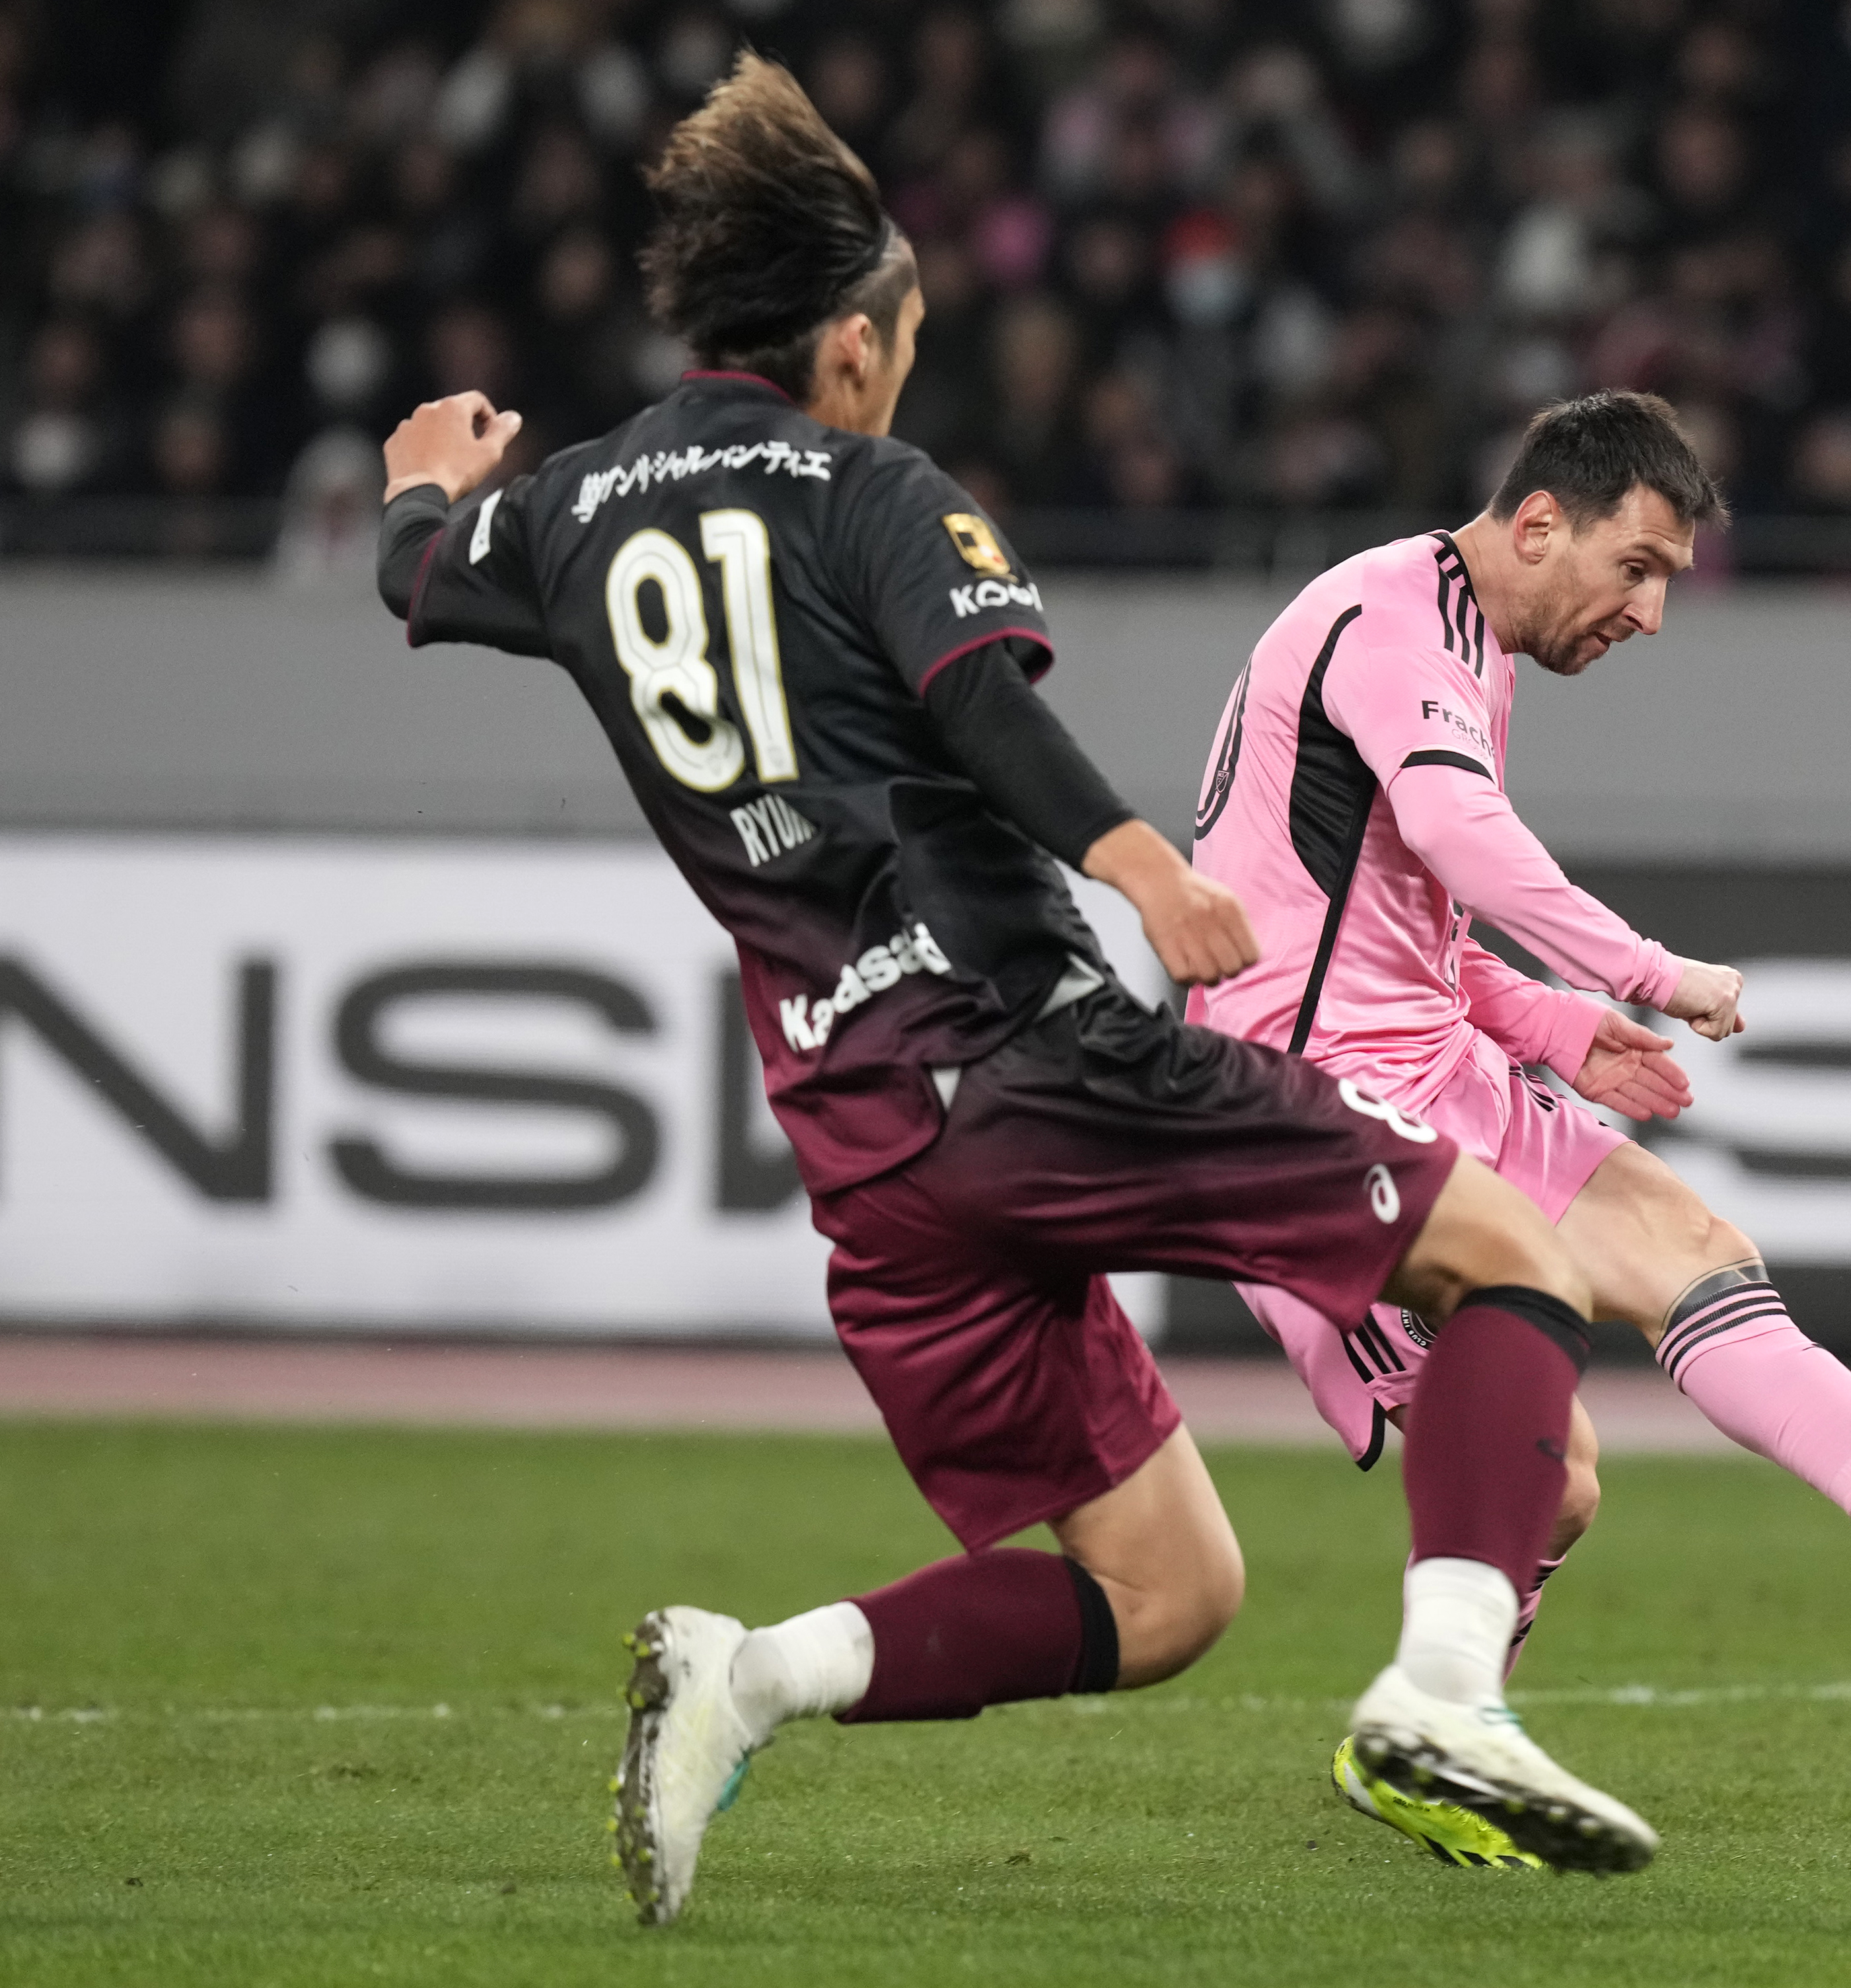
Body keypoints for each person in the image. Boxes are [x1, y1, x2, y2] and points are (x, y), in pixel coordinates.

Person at [371, 55, 1658, 1923]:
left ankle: (748, 1678)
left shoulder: (571, 511)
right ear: (845, 348)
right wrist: (1143, 864)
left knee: (1170, 1594)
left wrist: (426, 482)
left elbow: (418, 569)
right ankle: (1447, 1694)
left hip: (865, 1147)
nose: (903, 368)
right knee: (1518, 1259)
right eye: (897, 338)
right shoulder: (864, 482)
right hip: (1024, 1061)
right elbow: (977, 698)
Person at [1184, 389, 1851, 1867]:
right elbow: (1455, 841)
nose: (1653, 611)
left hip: (1424, 1061)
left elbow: (1401, 911)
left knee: (1694, 1246)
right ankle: (1437, 1726)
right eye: (1638, 566)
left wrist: (1558, 1028)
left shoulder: (1458, 646)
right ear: (1541, 521)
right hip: (1296, 1108)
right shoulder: (1389, 613)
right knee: (1550, 1476)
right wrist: (1640, 965)